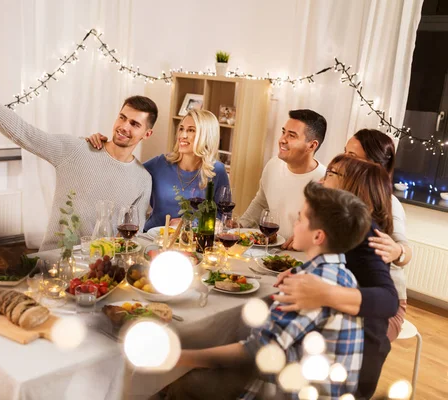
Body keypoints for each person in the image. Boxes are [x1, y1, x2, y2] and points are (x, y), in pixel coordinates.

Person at [165, 182, 371, 400]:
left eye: (300, 218)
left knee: (182, 383)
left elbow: (256, 351)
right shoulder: (344, 275)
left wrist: (179, 357)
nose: (295, 222)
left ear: (318, 237)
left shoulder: (309, 286)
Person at [0, 61, 153, 250]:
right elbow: (23, 133)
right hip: (55, 260)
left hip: (102, 269)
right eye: (122, 118)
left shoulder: (143, 179)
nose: (124, 127)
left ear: (147, 134)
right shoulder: (76, 149)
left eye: (134, 124)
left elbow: (132, 237)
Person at [274, 155, 400, 398]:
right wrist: (302, 271)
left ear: (352, 185)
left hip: (354, 358)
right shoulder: (347, 228)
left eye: (331, 173)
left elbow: (388, 300)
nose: (321, 179)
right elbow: (344, 267)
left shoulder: (368, 234)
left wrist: (324, 293)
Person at [86, 109, 229, 231]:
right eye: (181, 129)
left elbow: (222, 215)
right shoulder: (160, 164)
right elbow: (125, 172)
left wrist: (190, 224)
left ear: (206, 135)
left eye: (191, 130)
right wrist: (104, 149)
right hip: (152, 238)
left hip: (193, 242)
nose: (182, 135)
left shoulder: (217, 171)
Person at [345, 129, 412, 340]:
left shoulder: (390, 204)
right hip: (349, 292)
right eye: (344, 152)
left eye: (351, 157)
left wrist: (398, 251)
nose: (343, 160)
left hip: (386, 306)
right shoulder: (343, 196)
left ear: (374, 166)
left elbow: (406, 251)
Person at [238, 109, 327, 241]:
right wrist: (241, 224)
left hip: (302, 256)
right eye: (283, 132)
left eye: (291, 135)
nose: (282, 140)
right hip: (270, 250)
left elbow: (327, 230)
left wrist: (305, 239)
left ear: (311, 145)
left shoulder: (325, 181)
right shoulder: (273, 165)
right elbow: (261, 202)